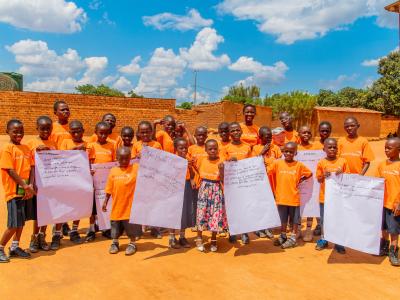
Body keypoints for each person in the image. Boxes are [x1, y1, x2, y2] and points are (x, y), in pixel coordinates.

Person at [0, 120, 35, 262]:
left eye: (21, 131)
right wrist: (25, 186)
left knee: (21, 222)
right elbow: (10, 170)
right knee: (13, 223)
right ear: (7, 131)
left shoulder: (26, 148)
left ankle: (15, 247)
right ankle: (1, 247)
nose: (19, 134)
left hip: (26, 191)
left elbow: (32, 167)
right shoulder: (7, 148)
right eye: (15, 131)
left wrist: (30, 185)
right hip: (14, 192)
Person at [268, 142, 312, 249]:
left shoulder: (299, 165)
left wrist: (301, 180)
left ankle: (293, 238)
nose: (288, 153)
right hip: (281, 198)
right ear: (283, 152)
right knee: (283, 219)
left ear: (295, 153)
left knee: (295, 220)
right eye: (286, 151)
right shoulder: (277, 163)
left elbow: (309, 173)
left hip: (293, 198)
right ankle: (283, 235)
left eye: (291, 152)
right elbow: (268, 171)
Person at [102, 147, 141, 256]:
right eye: (121, 159)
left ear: (130, 158)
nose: (124, 161)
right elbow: (109, 188)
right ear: (117, 158)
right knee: (115, 226)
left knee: (131, 227)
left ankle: (132, 243)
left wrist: (143, 157)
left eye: (126, 159)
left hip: (130, 207)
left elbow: (148, 169)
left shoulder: (136, 168)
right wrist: (105, 201)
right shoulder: (113, 171)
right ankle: (115, 243)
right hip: (117, 206)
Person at [25, 116, 56, 253]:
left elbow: (58, 162)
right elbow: (29, 164)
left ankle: (43, 236)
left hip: (51, 184)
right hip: (38, 184)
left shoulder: (53, 143)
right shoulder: (31, 144)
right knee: (38, 214)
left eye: (48, 128)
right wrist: (36, 151)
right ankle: (34, 237)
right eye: (42, 128)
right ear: (37, 128)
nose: (45, 131)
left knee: (48, 212)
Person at [56, 120, 88, 248]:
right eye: (73, 131)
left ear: (83, 131)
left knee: (78, 207)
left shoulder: (87, 143)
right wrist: (76, 150)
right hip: (66, 181)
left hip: (80, 181)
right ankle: (57, 234)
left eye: (78, 131)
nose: (76, 133)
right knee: (62, 207)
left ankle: (74, 230)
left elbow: (91, 161)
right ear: (69, 132)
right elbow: (60, 158)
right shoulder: (65, 142)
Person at [315, 138, 349, 254]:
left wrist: (342, 174)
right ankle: (324, 239)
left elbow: (347, 179)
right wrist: (323, 175)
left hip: (339, 199)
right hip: (324, 198)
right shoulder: (321, 162)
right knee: (325, 220)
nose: (332, 149)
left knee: (338, 220)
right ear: (324, 149)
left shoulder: (343, 161)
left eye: (334, 147)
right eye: (329, 147)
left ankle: (338, 242)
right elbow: (319, 179)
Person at [194, 139, 227, 252]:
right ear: (206, 150)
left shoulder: (222, 160)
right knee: (201, 213)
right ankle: (199, 238)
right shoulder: (202, 160)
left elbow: (223, 179)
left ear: (218, 149)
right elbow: (197, 172)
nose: (213, 151)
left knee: (215, 214)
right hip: (204, 189)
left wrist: (222, 169)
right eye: (210, 149)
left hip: (217, 189)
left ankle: (213, 239)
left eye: (215, 148)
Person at [86, 122, 116, 242]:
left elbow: (114, 163)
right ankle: (92, 229)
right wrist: (90, 171)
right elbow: (88, 161)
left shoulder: (112, 146)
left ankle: (105, 228)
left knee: (106, 205)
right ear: (96, 132)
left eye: (105, 133)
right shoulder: (91, 145)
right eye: (101, 133)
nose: (103, 136)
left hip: (107, 182)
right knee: (93, 206)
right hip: (94, 182)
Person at [132, 121, 162, 238]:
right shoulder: (136, 145)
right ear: (139, 133)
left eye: (147, 132)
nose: (145, 134)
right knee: (140, 204)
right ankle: (139, 229)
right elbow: (132, 161)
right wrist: (137, 156)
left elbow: (161, 161)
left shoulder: (157, 145)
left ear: (151, 132)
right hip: (140, 179)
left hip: (153, 179)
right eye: (142, 132)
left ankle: (154, 228)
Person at [223, 122, 252, 244]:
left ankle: (245, 232)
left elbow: (252, 163)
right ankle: (233, 231)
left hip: (244, 183)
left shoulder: (247, 147)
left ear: (241, 131)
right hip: (231, 183)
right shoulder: (226, 148)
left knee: (244, 207)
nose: (236, 132)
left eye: (237, 130)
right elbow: (221, 164)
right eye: (233, 130)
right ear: (230, 133)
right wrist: (229, 161)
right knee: (232, 209)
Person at [251, 126, 282, 239]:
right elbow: (252, 164)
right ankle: (259, 228)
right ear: (260, 137)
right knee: (259, 205)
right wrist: (262, 152)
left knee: (271, 205)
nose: (269, 139)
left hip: (273, 182)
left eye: (270, 137)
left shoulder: (276, 148)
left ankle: (268, 228)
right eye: (266, 137)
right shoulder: (255, 148)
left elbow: (280, 162)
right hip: (260, 183)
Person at [376, 137, 400, 266]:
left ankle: (394, 252)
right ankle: (384, 247)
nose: (386, 150)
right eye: (385, 147)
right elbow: (376, 183)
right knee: (383, 228)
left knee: (394, 231)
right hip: (382, 203)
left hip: (394, 205)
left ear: (398, 150)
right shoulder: (381, 165)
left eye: (389, 148)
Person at [168, 138, 196, 249]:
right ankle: (171, 238)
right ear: (175, 148)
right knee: (174, 212)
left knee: (184, 212)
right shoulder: (171, 160)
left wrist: (192, 178)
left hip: (186, 185)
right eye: (181, 148)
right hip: (175, 187)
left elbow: (192, 172)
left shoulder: (188, 159)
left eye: (185, 147)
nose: (184, 150)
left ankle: (182, 237)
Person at [297, 125, 318, 242]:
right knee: (299, 205)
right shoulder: (296, 148)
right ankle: (299, 229)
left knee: (311, 203)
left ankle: (309, 229)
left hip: (312, 181)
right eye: (303, 132)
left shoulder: (316, 148)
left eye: (308, 133)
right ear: (298, 134)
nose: (306, 135)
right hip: (299, 181)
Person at [311, 121, 332, 236]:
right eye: (322, 130)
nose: (324, 133)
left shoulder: (333, 144)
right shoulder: (314, 145)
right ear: (318, 131)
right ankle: (319, 224)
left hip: (331, 180)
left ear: (330, 131)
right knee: (317, 201)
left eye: (327, 130)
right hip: (317, 178)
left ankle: (329, 226)